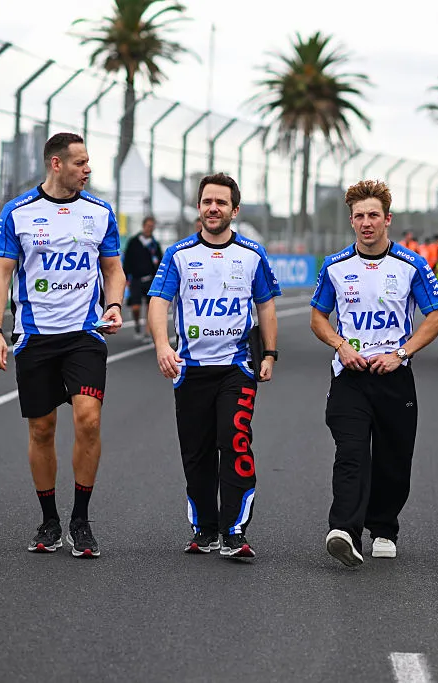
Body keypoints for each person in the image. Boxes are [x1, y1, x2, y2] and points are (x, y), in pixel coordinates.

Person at [0, 132, 125, 558]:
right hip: (35, 337)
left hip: (84, 334)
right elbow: (0, 275)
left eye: (89, 163)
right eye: (80, 162)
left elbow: (114, 269)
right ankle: (49, 520)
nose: (88, 169)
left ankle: (80, 519)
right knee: (42, 429)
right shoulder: (18, 212)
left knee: (88, 420)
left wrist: (114, 303)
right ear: (56, 164)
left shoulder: (100, 212)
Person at [311, 180, 438, 567]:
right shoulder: (335, 266)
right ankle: (344, 531)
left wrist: (400, 354)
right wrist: (341, 345)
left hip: (394, 376)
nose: (366, 223)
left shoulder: (411, 265)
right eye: (359, 216)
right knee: (351, 452)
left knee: (393, 458)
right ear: (351, 221)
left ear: (387, 219)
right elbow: (318, 317)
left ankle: (384, 527)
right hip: (350, 375)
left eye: (373, 215)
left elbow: (435, 317)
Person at [148, 172, 281, 559]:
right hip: (189, 370)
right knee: (197, 452)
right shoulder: (178, 254)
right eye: (207, 201)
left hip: (236, 369)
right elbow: (159, 302)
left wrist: (269, 354)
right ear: (199, 206)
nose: (213, 208)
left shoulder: (253, 254)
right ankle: (205, 529)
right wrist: (162, 346)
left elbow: (267, 305)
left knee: (234, 439)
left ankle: (234, 529)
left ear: (234, 210)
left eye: (221, 202)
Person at [123, 215, 163, 341]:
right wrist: (126, 278)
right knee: (136, 306)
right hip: (136, 279)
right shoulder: (134, 242)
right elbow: (127, 260)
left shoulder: (154, 244)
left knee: (150, 307)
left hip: (151, 279)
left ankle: (147, 332)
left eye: (152, 227)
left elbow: (160, 261)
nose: (150, 229)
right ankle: (137, 325)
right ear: (143, 226)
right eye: (148, 226)